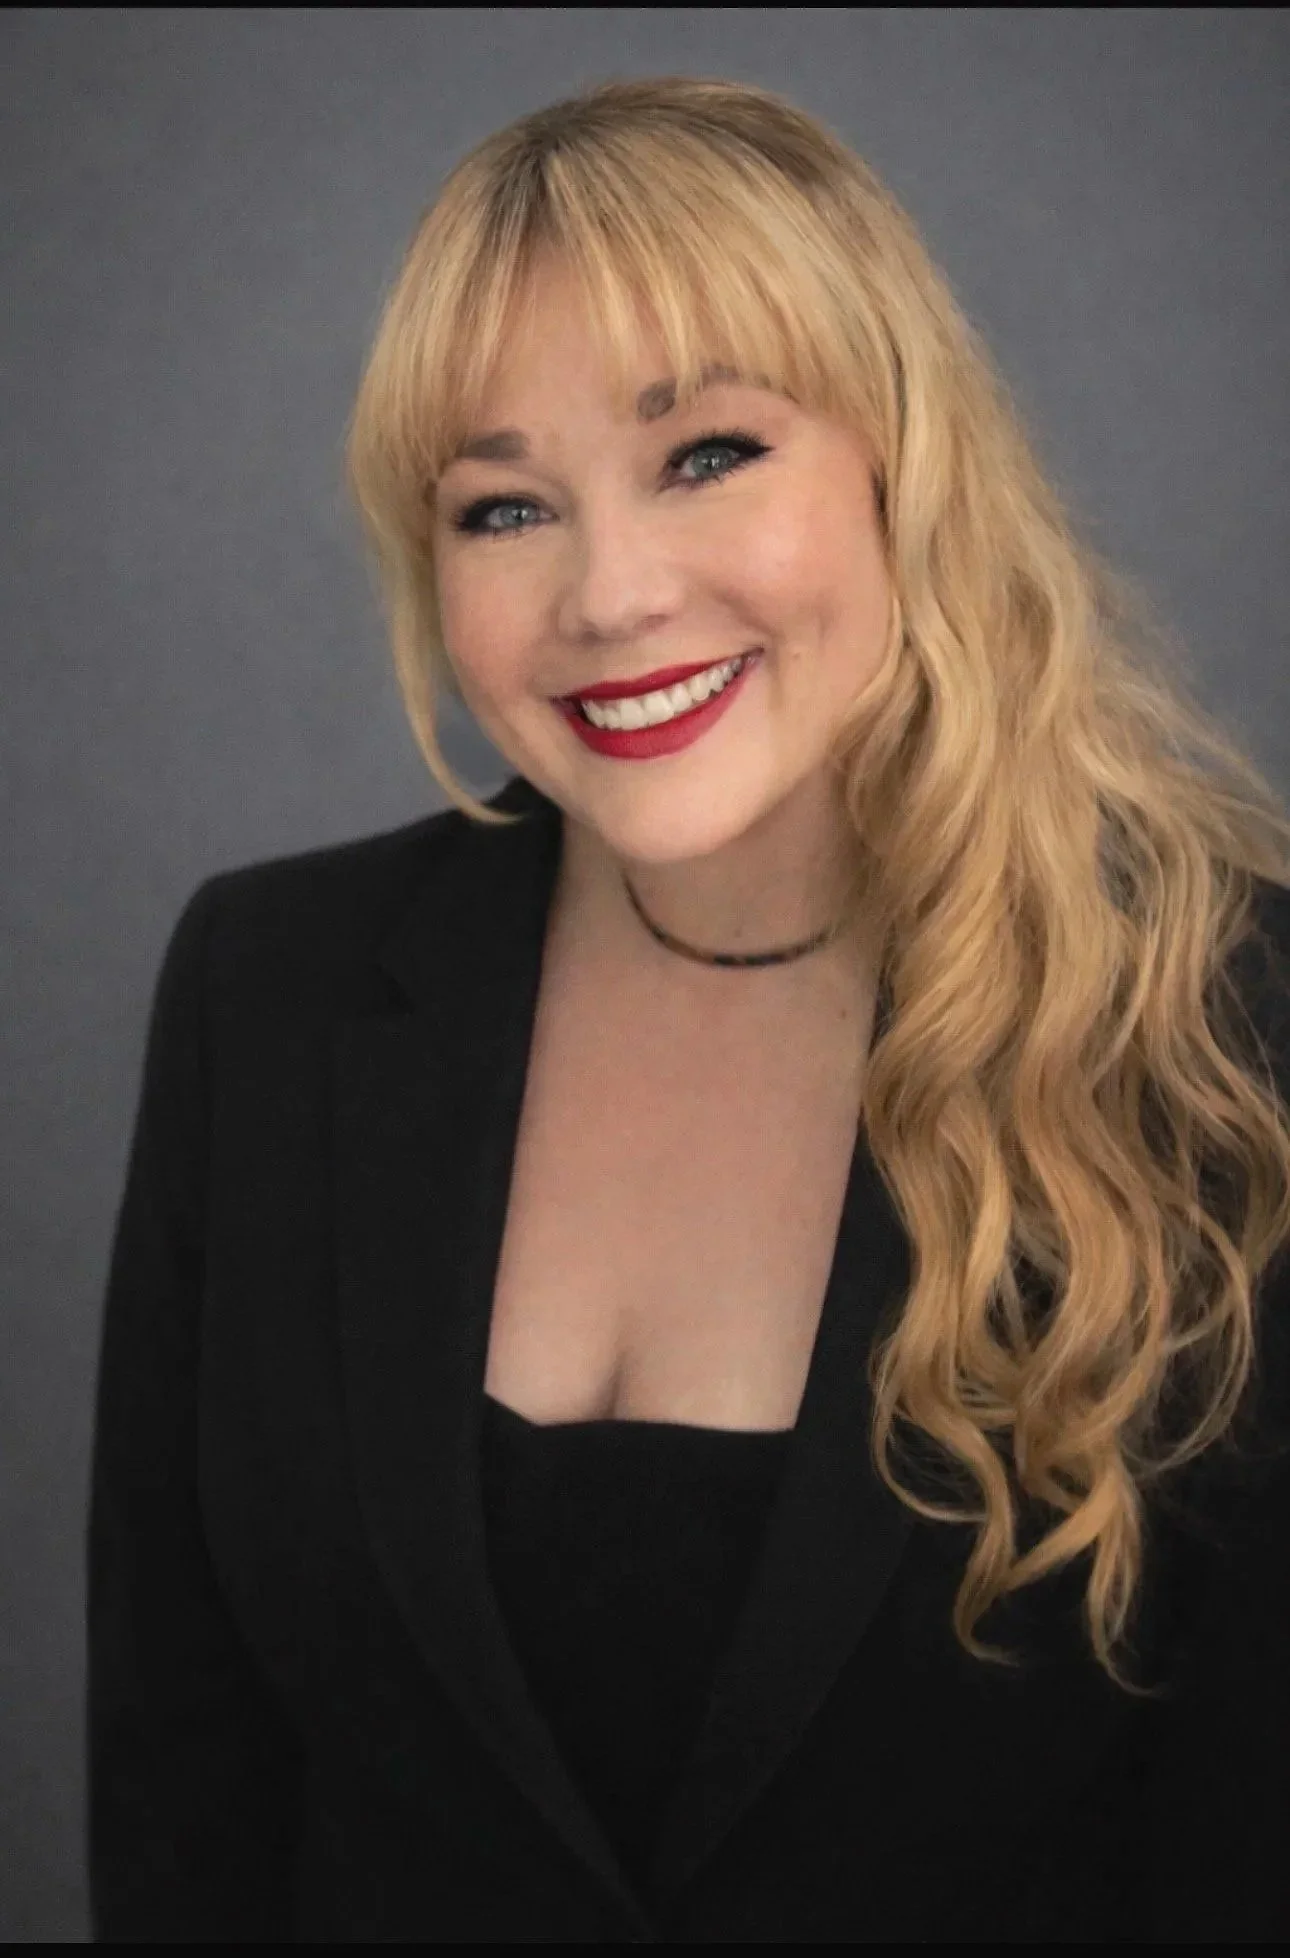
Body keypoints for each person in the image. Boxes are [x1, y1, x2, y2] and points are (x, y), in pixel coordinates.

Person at [87, 76, 1290, 1943]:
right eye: (504, 504)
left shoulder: (1233, 1017)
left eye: (708, 454)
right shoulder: (269, 988)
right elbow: (186, 1788)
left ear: (904, 457)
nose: (611, 592)